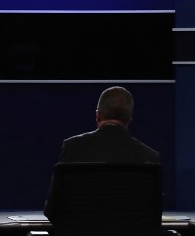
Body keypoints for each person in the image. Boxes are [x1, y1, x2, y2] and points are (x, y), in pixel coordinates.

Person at [44, 86, 160, 223]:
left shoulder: (72, 147)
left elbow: (52, 211)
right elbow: (154, 216)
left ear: (97, 115)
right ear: (129, 120)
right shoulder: (150, 157)